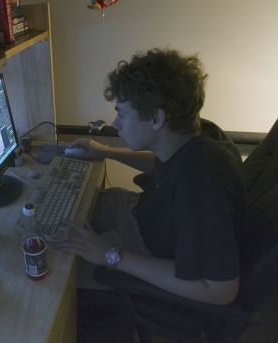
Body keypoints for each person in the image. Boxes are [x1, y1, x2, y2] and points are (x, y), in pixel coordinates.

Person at [52, 48, 246, 305]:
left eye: (121, 113)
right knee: (73, 210)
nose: (116, 123)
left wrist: (111, 254)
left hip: (154, 251)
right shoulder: (197, 132)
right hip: (150, 216)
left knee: (54, 265)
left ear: (156, 118)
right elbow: (164, 162)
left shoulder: (200, 188)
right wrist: (107, 153)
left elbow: (221, 291)